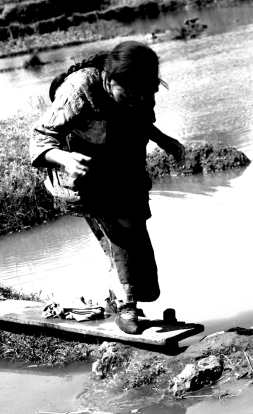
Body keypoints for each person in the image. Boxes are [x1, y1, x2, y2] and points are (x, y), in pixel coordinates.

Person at [29, 41, 184, 334]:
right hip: (84, 175)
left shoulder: (141, 89)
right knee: (121, 232)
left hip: (126, 171)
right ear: (109, 80)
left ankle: (123, 296)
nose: (138, 100)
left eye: (144, 94)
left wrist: (163, 139)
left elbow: (140, 121)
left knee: (148, 284)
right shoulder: (78, 90)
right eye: (130, 94)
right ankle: (128, 307)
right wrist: (65, 158)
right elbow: (40, 139)